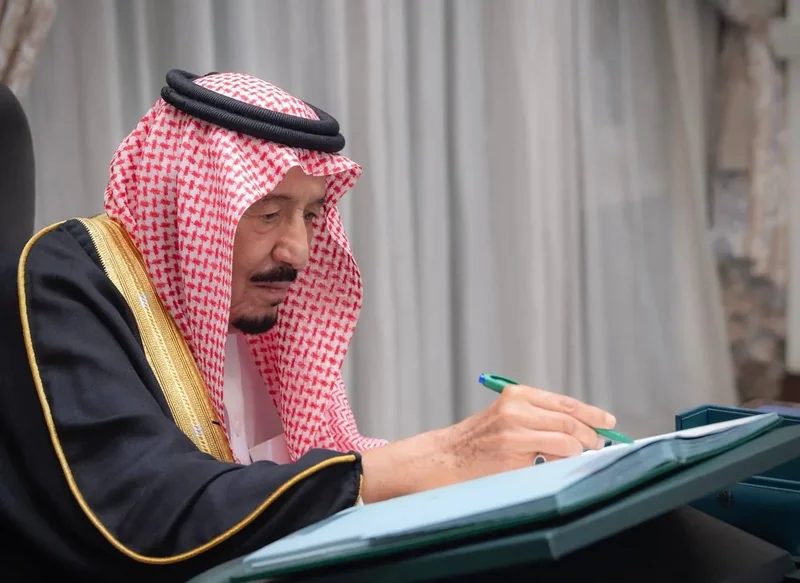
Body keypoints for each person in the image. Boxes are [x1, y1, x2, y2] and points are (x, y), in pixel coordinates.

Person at [0, 70, 617, 582]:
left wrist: (482, 469)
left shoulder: (253, 315)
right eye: (269, 213)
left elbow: (314, 475)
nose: (296, 250)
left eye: (312, 215)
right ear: (186, 205)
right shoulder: (64, 283)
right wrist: (442, 455)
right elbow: (151, 514)